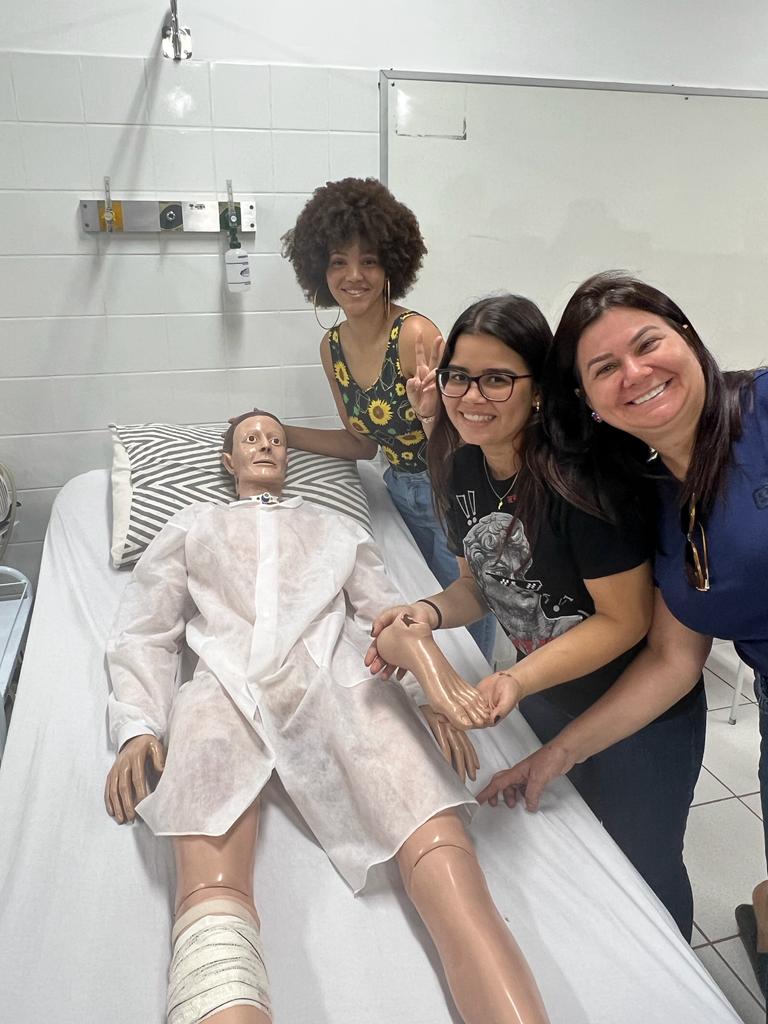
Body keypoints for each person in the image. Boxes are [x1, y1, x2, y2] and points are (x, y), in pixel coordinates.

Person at [104, 408, 549, 1024]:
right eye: (251, 439)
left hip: (341, 681)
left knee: (444, 854)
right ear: (229, 461)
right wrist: (138, 725)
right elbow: (147, 630)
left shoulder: (337, 529)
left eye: (276, 439)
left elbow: (387, 614)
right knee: (211, 892)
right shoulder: (193, 525)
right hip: (225, 685)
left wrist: (428, 697)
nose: (266, 445)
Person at [370, 293, 707, 940]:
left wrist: (517, 679)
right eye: (459, 377)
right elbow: (477, 586)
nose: (472, 396)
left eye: (497, 379)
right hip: (550, 697)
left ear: (539, 392)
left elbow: (625, 621)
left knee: (646, 869)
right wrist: (426, 612)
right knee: (575, 854)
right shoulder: (461, 467)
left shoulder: (579, 482)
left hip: (642, 713)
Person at [477, 271, 767, 977]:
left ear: (688, 339)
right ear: (588, 402)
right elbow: (672, 659)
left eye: (648, 344)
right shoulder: (652, 498)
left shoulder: (761, 411)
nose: (634, 374)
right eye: (605, 368)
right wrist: (556, 755)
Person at [281, 177, 495, 658]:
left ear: (391, 267)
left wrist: (430, 415)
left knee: (466, 622)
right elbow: (361, 443)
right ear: (319, 270)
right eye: (338, 262)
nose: (353, 276)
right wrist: (283, 433)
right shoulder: (331, 347)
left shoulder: (413, 334)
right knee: (423, 610)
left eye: (369, 261)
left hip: (451, 488)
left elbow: (466, 438)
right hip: (399, 490)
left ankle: (482, 694)